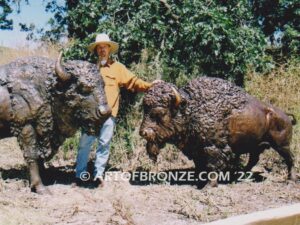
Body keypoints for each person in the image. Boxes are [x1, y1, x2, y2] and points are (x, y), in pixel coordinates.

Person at [75, 33, 160, 187]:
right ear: (96, 50)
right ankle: (80, 175)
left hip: (109, 114)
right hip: (91, 116)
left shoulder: (118, 68)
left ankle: (98, 176)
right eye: (99, 47)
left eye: (104, 47)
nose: (102, 50)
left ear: (109, 49)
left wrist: (150, 85)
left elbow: (134, 82)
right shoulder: (89, 69)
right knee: (84, 144)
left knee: (104, 144)